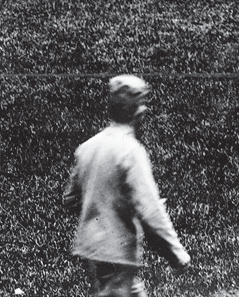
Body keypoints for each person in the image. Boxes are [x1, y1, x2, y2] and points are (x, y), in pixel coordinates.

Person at [63, 75, 190, 296]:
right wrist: (176, 252)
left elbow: (71, 200)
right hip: (118, 250)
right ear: (137, 111)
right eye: (142, 104)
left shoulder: (87, 147)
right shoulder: (130, 151)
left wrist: (103, 204)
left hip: (91, 247)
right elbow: (149, 209)